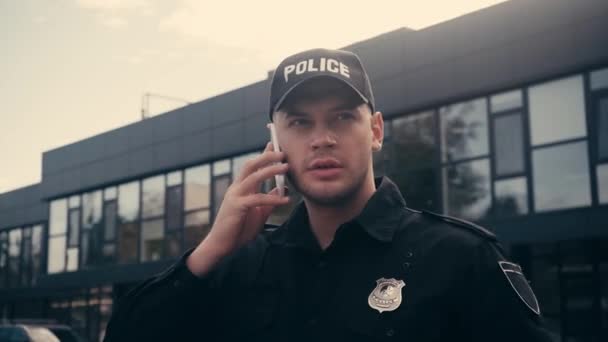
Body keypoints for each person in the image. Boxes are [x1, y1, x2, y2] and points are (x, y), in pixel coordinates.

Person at [103, 48, 555, 341]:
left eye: (341, 118)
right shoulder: (238, 266)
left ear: (375, 130)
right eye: (300, 123)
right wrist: (209, 252)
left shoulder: (460, 258)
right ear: (275, 140)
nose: (321, 139)